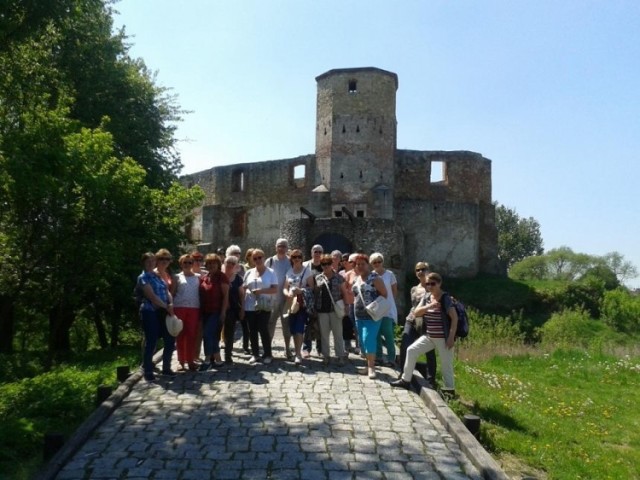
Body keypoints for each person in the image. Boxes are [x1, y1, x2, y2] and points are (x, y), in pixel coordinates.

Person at [391, 272, 458, 391]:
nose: (430, 286)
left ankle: (449, 390)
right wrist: (429, 306)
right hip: (430, 336)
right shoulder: (427, 297)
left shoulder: (445, 298)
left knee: (446, 365)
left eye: (433, 284)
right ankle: (405, 380)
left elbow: (454, 318)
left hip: (444, 338)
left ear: (439, 283)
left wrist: (451, 337)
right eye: (428, 284)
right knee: (411, 350)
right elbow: (416, 312)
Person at [137, 252, 176, 381]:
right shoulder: (143, 278)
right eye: (148, 261)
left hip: (163, 312)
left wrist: (170, 303)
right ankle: (148, 370)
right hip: (150, 312)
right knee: (151, 340)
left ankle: (166, 367)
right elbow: (151, 296)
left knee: (170, 339)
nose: (151, 264)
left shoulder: (157, 276)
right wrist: (166, 306)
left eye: (153, 261)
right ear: (143, 263)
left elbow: (166, 291)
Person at [399, 262, 438, 387]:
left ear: (428, 270)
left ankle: (431, 379)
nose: (420, 272)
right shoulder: (414, 289)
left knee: (429, 351)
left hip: (427, 322)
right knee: (405, 344)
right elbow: (414, 306)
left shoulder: (432, 286)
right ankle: (404, 374)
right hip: (413, 320)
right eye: (417, 270)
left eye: (423, 269)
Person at [309, 254, 349, 366]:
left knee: (338, 334)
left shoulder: (339, 278)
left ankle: (340, 356)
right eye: (323, 264)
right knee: (324, 335)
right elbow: (315, 294)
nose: (326, 266)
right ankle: (326, 356)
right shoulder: (318, 277)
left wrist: (346, 305)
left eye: (328, 264)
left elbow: (344, 292)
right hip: (322, 309)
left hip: (335, 309)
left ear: (332, 264)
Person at [352, 254, 387, 379]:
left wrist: (373, 306)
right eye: (358, 264)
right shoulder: (357, 279)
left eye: (363, 264)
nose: (360, 266)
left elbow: (384, 294)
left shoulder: (374, 278)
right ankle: (367, 365)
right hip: (358, 316)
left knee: (368, 339)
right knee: (362, 341)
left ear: (368, 265)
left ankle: (372, 367)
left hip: (372, 316)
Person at [242, 249, 277, 364]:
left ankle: (268, 354)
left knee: (263, 329)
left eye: (259, 257)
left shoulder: (271, 272)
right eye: (255, 258)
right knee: (252, 331)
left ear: (264, 257)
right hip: (250, 305)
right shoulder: (249, 272)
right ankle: (255, 354)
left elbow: (275, 289)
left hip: (264, 305)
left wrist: (261, 291)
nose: (257, 260)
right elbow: (243, 287)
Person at [198, 254, 229, 370]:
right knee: (210, 336)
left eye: (213, 263)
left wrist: (223, 312)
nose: (211, 265)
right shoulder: (205, 277)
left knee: (207, 334)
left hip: (216, 311)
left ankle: (207, 360)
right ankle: (218, 360)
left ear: (218, 264)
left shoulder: (222, 277)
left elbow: (226, 295)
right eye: (209, 263)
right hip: (205, 311)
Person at [282, 249, 313, 365]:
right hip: (291, 303)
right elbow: (285, 287)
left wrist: (301, 290)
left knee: (299, 328)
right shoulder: (289, 271)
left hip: (301, 304)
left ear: (302, 258)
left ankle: (298, 354)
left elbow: (312, 287)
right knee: (293, 329)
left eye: (299, 257)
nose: (297, 259)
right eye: (294, 257)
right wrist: (287, 293)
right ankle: (296, 351)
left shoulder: (307, 271)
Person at [171, 254, 200, 372]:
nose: (187, 265)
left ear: (193, 264)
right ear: (181, 264)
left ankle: (190, 360)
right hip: (179, 308)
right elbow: (172, 293)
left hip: (194, 308)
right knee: (180, 335)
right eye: (185, 262)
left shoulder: (198, 277)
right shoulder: (177, 277)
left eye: (189, 262)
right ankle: (181, 361)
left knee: (192, 335)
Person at [370, 252, 398, 367]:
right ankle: (379, 356)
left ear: (382, 262)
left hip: (387, 308)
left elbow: (394, 291)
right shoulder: (371, 275)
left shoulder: (389, 274)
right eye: (374, 262)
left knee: (388, 334)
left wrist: (388, 303)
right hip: (376, 308)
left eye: (379, 261)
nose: (377, 264)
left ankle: (391, 358)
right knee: (376, 334)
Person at [266, 238, 292, 359]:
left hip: (287, 300)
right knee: (270, 325)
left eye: (283, 246)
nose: (281, 248)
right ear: (276, 247)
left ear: (287, 248)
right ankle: (268, 350)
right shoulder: (270, 261)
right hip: (272, 300)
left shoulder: (291, 261)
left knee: (286, 325)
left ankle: (288, 350)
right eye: (279, 246)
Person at [222, 254, 248, 362]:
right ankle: (213, 356)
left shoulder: (237, 278)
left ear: (236, 266)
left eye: (233, 263)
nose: (230, 265)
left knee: (230, 332)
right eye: (228, 262)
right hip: (217, 308)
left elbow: (242, 295)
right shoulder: (220, 276)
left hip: (232, 309)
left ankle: (228, 355)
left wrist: (242, 309)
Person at [302, 244, 324, 357]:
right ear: (311, 253)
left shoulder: (325, 265)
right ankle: (306, 348)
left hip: (322, 299)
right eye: (315, 251)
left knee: (320, 325)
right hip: (308, 298)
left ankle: (320, 349)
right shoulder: (305, 265)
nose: (318, 254)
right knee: (308, 324)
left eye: (320, 252)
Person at [340, 253, 359, 353]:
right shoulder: (348, 274)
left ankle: (359, 345)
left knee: (358, 326)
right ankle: (347, 345)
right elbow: (344, 289)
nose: (353, 264)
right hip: (350, 303)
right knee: (348, 325)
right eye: (351, 262)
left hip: (362, 304)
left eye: (355, 261)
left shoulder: (365, 273)